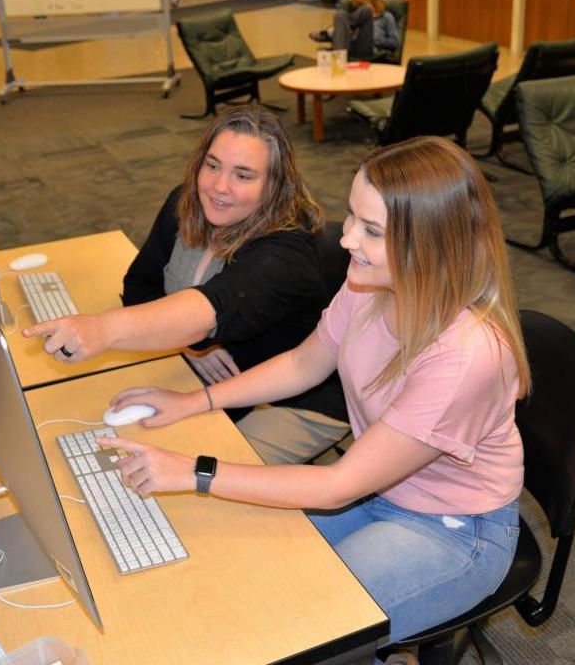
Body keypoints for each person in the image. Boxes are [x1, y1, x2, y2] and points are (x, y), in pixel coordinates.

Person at [98, 136, 531, 647]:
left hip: (452, 530)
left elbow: (336, 486)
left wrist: (194, 471)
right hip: (380, 494)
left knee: (299, 623)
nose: (346, 239)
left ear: (431, 245)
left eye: (371, 230)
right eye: (352, 217)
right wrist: (194, 401)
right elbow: (305, 363)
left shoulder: (465, 354)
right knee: (241, 564)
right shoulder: (370, 281)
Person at [22, 104, 350, 462]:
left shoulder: (284, 252)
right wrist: (193, 346)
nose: (219, 186)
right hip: (211, 380)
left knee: (198, 480)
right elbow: (140, 287)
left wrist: (103, 328)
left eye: (243, 175)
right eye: (212, 166)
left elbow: (213, 306)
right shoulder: (187, 204)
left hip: (294, 398)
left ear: (273, 186)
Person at [309, 0, 400, 61]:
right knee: (340, 14)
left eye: (364, 5)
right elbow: (340, 38)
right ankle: (339, 61)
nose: (361, 9)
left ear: (373, 3)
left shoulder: (386, 17)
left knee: (365, 12)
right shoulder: (357, 18)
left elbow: (395, 42)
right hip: (349, 47)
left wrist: (375, 39)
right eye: (359, 7)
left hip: (369, 49)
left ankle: (328, 33)